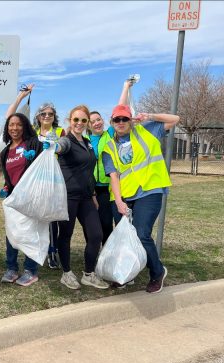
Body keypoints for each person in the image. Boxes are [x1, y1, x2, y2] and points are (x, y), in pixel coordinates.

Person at [102, 104, 179, 293]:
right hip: (125, 196)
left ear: (131, 120)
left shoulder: (147, 130)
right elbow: (114, 176)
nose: (121, 123)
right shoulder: (109, 146)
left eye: (124, 119)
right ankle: (126, 274)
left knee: (142, 234)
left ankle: (157, 272)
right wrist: (119, 201)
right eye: (117, 120)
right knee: (124, 239)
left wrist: (149, 115)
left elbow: (175, 119)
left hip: (149, 191)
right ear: (112, 122)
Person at [0, 113, 66, 286]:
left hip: (33, 196)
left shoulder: (33, 143)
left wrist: (39, 152)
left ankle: (31, 270)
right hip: (15, 197)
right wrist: (6, 188)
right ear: (7, 128)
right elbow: (9, 176)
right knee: (11, 233)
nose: (15, 128)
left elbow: (44, 161)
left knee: (32, 232)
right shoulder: (6, 151)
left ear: (25, 126)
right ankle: (11, 268)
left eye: (19, 125)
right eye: (11, 125)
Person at [6, 84, 66, 269]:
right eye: (43, 114)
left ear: (54, 117)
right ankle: (28, 256)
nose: (47, 116)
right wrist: (20, 97)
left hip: (51, 181)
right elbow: (10, 118)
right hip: (31, 182)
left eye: (50, 114)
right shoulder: (32, 132)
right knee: (31, 219)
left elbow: (65, 147)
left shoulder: (60, 132)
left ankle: (51, 252)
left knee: (49, 219)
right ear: (38, 117)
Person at [56, 105, 109, 290]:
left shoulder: (87, 142)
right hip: (68, 197)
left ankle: (88, 274)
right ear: (70, 121)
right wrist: (54, 146)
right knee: (65, 235)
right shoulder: (66, 140)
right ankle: (67, 273)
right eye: (75, 120)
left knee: (96, 235)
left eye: (83, 120)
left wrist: (93, 193)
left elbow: (88, 172)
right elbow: (60, 147)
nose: (79, 123)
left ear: (87, 123)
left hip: (86, 197)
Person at [88, 80, 132, 245]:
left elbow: (120, 108)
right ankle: (97, 250)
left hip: (108, 187)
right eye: (93, 122)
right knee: (94, 225)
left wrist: (125, 87)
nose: (97, 123)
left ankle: (108, 251)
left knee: (107, 223)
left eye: (99, 119)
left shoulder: (111, 133)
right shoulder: (85, 140)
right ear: (88, 126)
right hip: (91, 189)